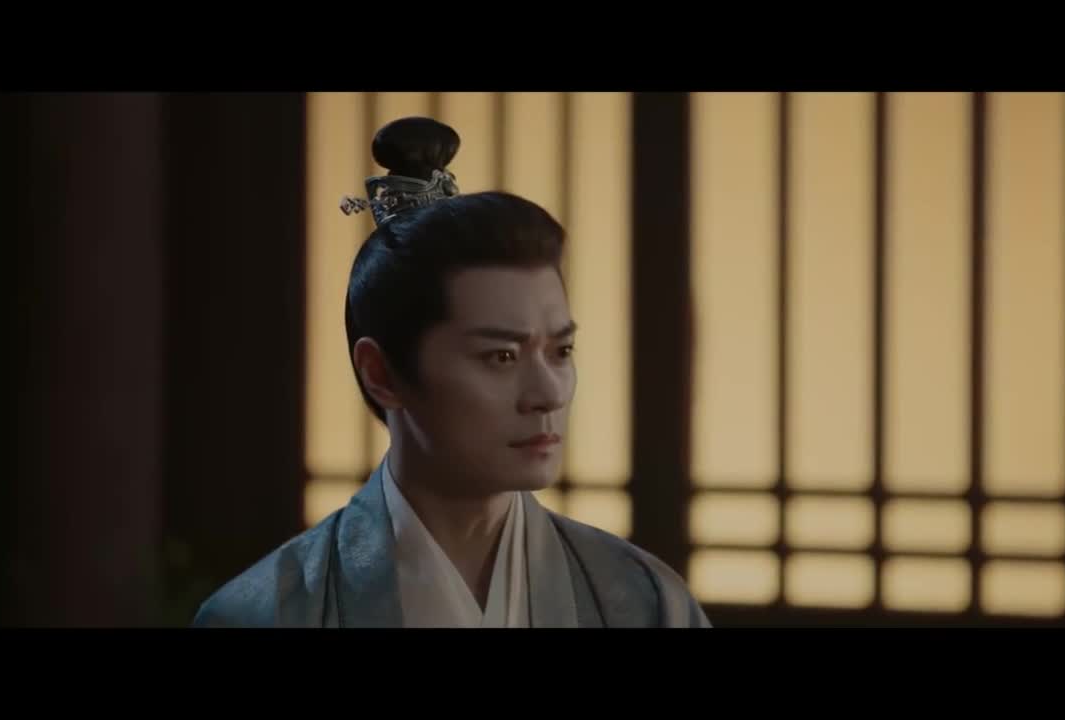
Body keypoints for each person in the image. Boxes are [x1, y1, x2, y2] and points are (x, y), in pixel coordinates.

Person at [192, 116, 710, 628]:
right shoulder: (265, 614)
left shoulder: (643, 602)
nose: (548, 393)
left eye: (561, 350)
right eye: (501, 356)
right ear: (382, 373)